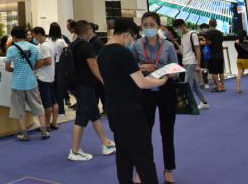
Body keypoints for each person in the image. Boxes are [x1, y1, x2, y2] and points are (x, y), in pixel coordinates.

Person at [98, 18, 167, 184]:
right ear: (126, 35)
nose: (133, 41)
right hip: (130, 110)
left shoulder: (102, 52)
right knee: (143, 154)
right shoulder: (123, 53)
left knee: (123, 153)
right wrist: (161, 81)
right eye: (133, 37)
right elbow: (141, 83)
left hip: (113, 108)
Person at [131, 12, 179, 184]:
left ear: (158, 26)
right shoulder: (136, 45)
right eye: (145, 25)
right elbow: (131, 67)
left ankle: (168, 169)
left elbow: (176, 69)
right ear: (141, 27)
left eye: (152, 25)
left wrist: (168, 73)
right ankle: (142, 170)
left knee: (167, 132)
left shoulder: (168, 46)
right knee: (144, 134)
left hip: (166, 90)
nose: (149, 28)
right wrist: (142, 67)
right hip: (145, 92)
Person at [67, 20, 115, 162]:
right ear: (88, 30)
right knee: (81, 119)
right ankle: (75, 151)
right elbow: (93, 66)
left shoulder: (73, 45)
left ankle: (106, 143)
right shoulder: (86, 46)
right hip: (85, 87)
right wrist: (105, 81)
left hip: (79, 86)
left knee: (95, 115)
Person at [5, 25, 50, 141]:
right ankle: (44, 131)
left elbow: (7, 67)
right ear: (25, 35)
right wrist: (30, 69)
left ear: (14, 36)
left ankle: (24, 134)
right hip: (31, 82)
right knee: (38, 106)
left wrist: (16, 70)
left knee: (19, 109)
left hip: (17, 83)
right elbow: (40, 63)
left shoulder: (11, 49)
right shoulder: (34, 47)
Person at [177, 19, 209, 110]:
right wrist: (183, 62)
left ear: (182, 25)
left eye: (178, 27)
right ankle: (204, 102)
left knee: (188, 85)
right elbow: (183, 50)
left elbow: (198, 50)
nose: (177, 30)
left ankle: (190, 106)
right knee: (194, 85)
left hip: (192, 62)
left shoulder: (193, 34)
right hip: (186, 62)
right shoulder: (182, 35)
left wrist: (198, 64)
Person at [31, 27, 58, 130]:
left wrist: (35, 66)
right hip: (50, 76)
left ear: (38, 34)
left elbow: (48, 61)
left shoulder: (43, 46)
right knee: (54, 101)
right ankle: (54, 123)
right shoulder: (50, 44)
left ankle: (46, 125)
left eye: (34, 35)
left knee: (47, 103)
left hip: (43, 77)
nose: (33, 38)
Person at [86, 22, 106, 114]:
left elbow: (97, 57)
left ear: (91, 30)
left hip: (99, 70)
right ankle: (96, 110)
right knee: (97, 92)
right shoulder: (91, 41)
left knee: (101, 92)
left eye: (88, 29)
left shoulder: (96, 42)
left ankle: (105, 109)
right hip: (96, 70)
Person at [49, 22, 67, 116]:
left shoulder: (48, 40)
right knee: (59, 88)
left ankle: (53, 109)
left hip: (50, 65)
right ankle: (61, 111)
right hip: (59, 65)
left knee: (51, 87)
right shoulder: (61, 41)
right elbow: (67, 51)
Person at [205, 19, 225, 92]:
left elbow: (209, 43)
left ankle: (218, 87)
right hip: (220, 54)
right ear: (216, 24)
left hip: (212, 55)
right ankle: (223, 87)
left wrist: (204, 42)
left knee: (214, 72)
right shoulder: (220, 33)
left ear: (209, 24)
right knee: (221, 71)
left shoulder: (208, 33)